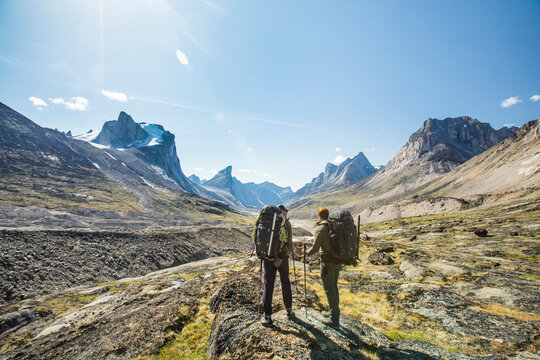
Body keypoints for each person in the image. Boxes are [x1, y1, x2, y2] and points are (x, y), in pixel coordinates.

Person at [256, 205, 295, 326]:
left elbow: (255, 238)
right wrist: (290, 249)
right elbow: (288, 245)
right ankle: (289, 311)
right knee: (285, 282)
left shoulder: (263, 220)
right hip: (282, 258)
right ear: (282, 212)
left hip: (268, 258)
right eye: (286, 211)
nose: (286, 213)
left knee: (269, 284)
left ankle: (267, 316)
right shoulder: (285, 223)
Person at [303, 207, 341, 327]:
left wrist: (305, 252)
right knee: (334, 287)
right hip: (337, 261)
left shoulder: (320, 229)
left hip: (327, 264)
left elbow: (315, 248)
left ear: (319, 216)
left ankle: (334, 319)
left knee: (329, 289)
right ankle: (334, 312)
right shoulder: (334, 226)